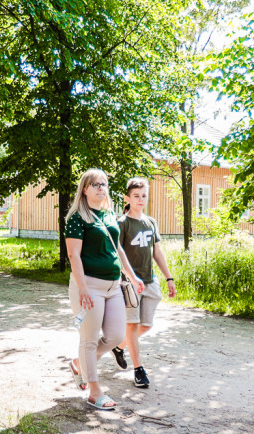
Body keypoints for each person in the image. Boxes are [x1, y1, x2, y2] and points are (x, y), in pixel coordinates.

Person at [65, 169, 144, 411]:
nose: (101, 187)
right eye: (95, 184)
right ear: (85, 189)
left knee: (116, 336)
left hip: (113, 286)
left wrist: (133, 276)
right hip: (89, 286)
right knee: (88, 340)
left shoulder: (109, 215)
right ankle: (94, 391)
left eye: (104, 184)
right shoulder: (77, 218)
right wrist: (83, 288)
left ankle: (80, 362)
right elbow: (73, 254)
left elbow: (118, 250)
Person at [110, 178, 176, 388]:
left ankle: (119, 347)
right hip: (129, 283)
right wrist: (130, 277)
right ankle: (139, 370)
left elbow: (157, 252)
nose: (140, 199)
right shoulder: (122, 223)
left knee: (146, 325)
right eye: (136, 196)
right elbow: (117, 254)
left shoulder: (151, 222)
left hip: (149, 280)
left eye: (144, 195)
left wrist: (169, 277)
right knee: (132, 324)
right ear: (127, 198)